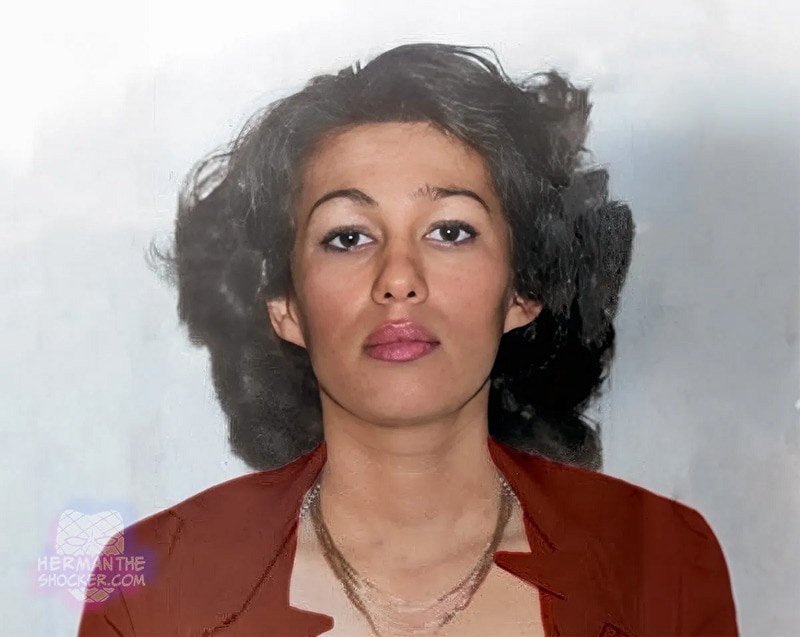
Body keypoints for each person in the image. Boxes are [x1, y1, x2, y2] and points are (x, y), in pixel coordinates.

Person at [77, 43, 738, 636]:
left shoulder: (664, 563)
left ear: (522, 289)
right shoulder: (153, 586)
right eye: (348, 236)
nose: (398, 279)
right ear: (285, 306)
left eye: (450, 231)